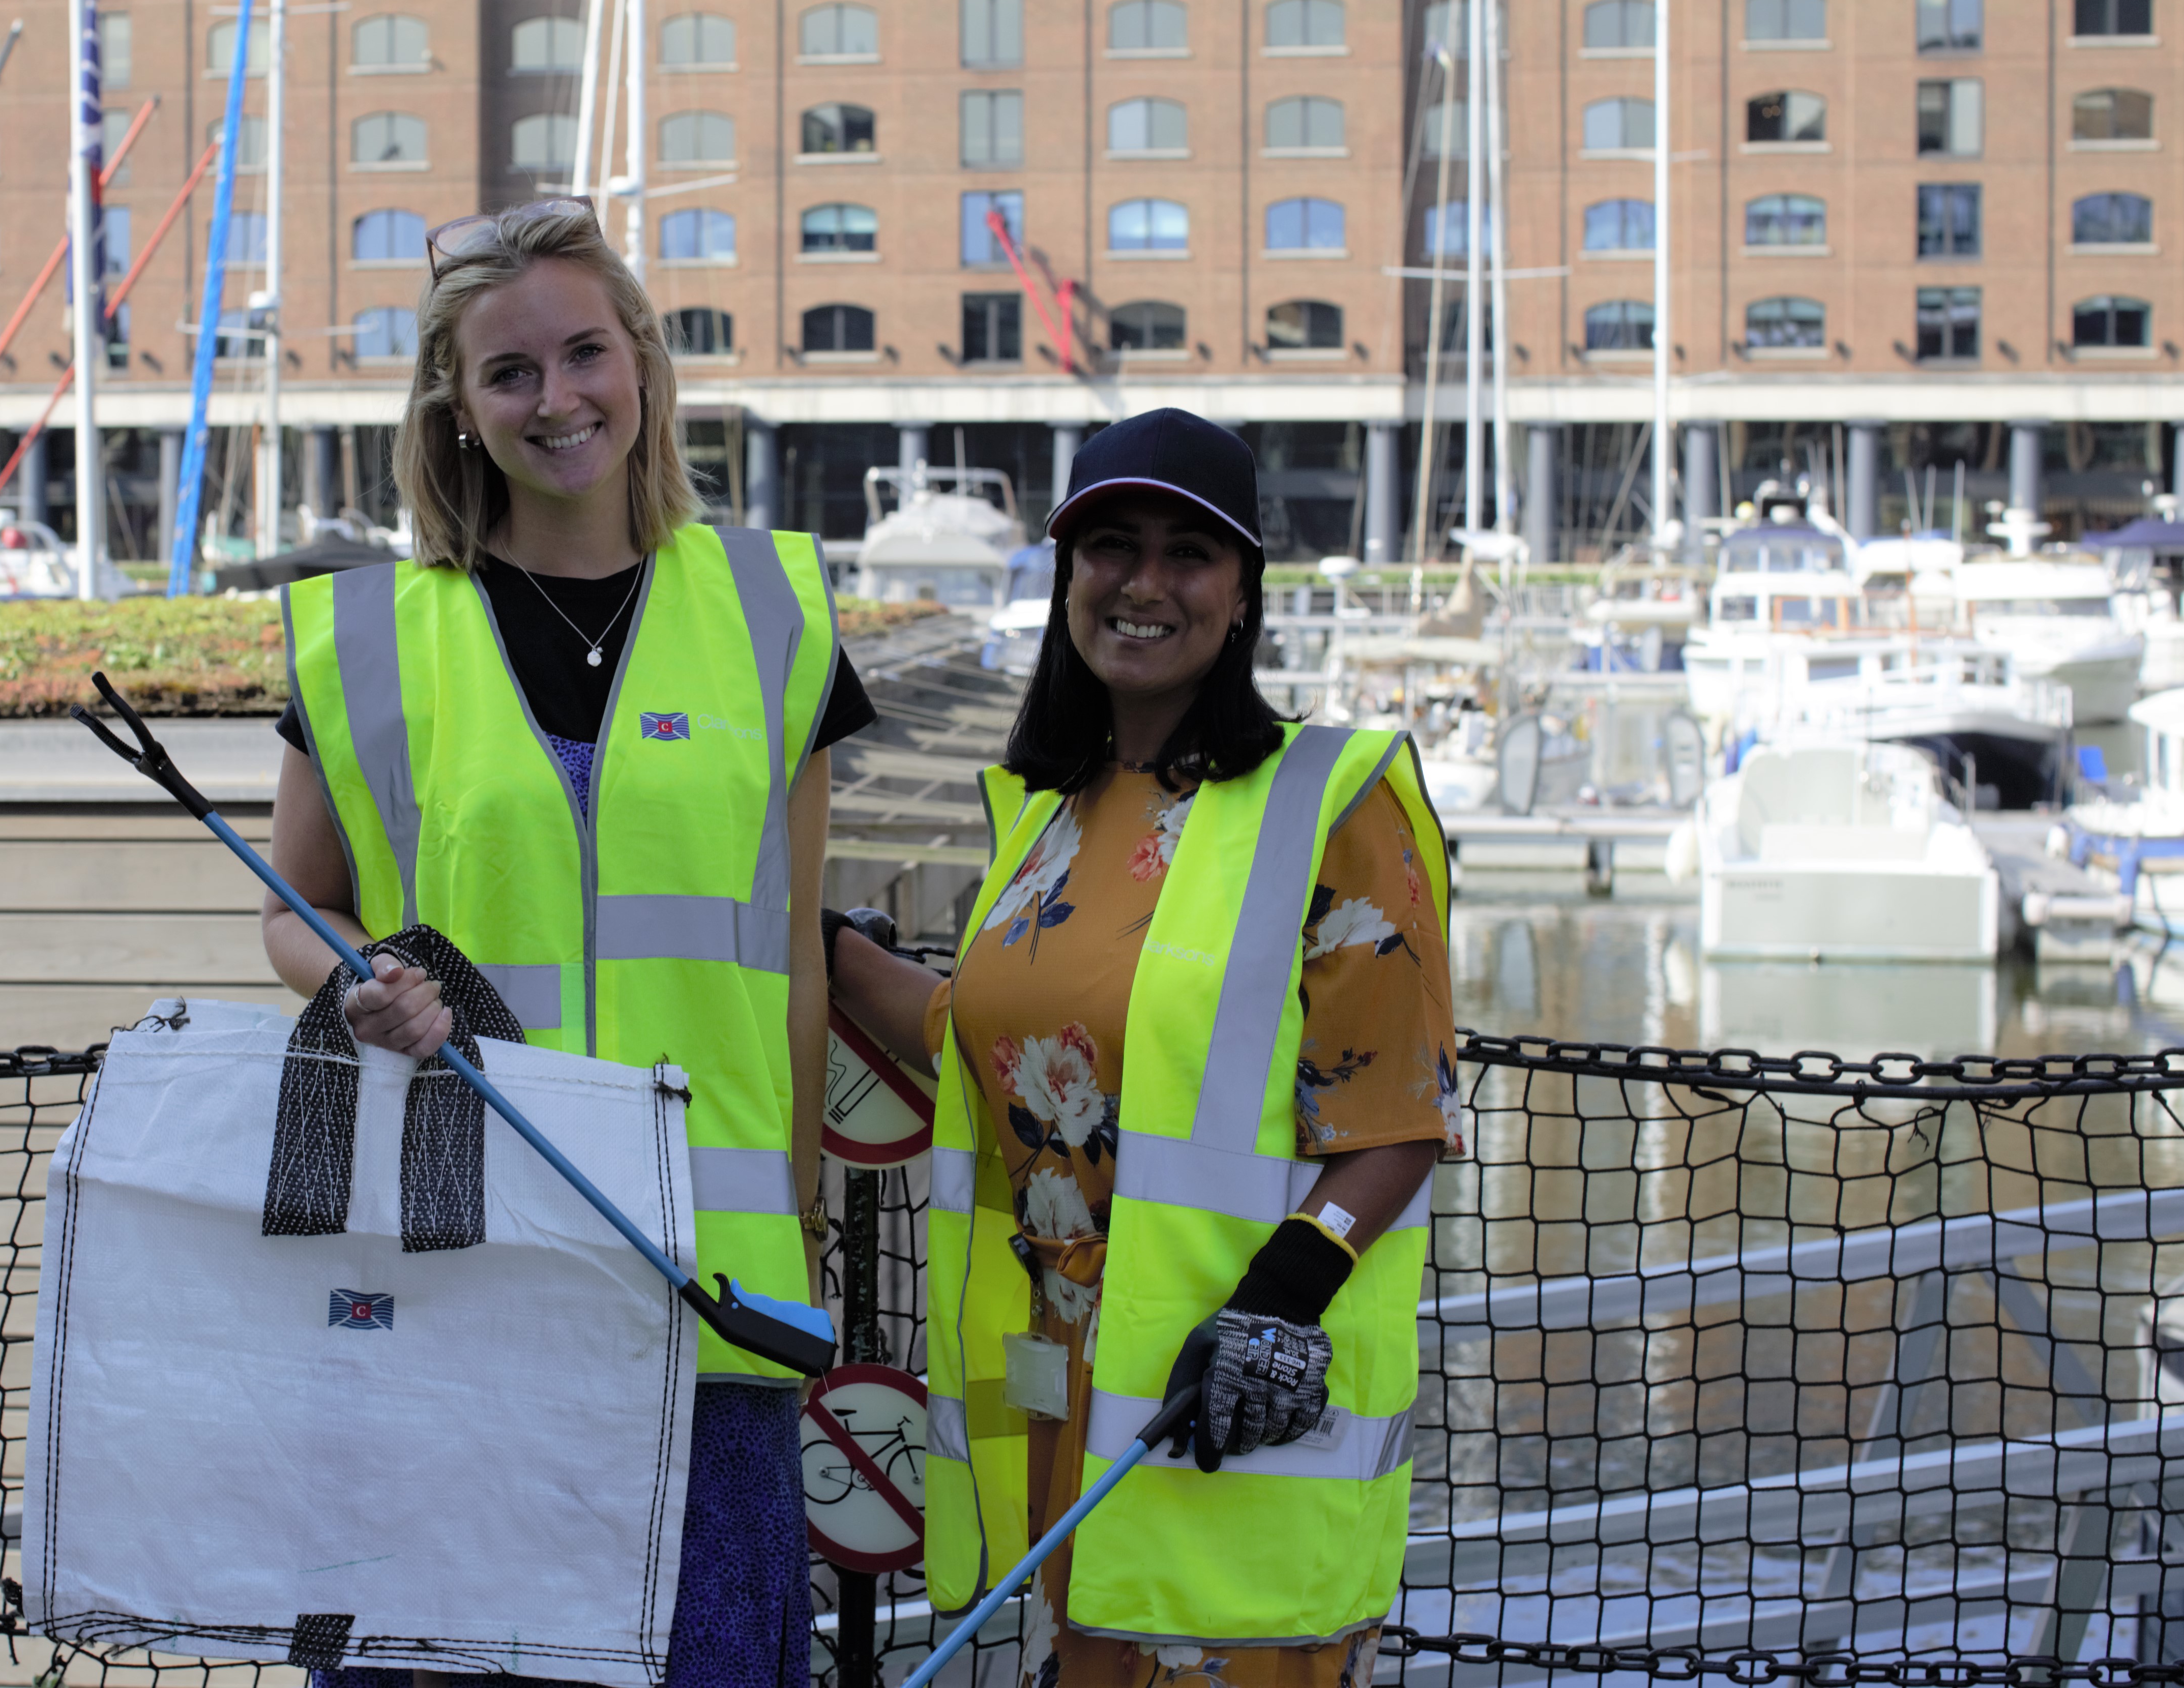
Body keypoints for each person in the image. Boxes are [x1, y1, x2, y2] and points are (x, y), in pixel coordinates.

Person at [264, 197, 875, 1688]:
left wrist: (800, 1216)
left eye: (585, 353)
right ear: (457, 406)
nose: (558, 399)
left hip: (706, 1282)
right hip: (455, 1262)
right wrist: (361, 982)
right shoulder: (366, 640)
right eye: (511, 372)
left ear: (642, 364)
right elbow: (294, 906)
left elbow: (798, 961)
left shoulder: (774, 615)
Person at [829, 409, 1461, 1688]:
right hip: (1060, 1388)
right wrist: (825, 946)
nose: (1145, 583)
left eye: (1190, 553)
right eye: (1112, 546)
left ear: (1244, 594)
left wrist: (1282, 1300)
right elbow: (989, 1046)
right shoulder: (1052, 813)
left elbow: (1401, 1116)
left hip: (1223, 1394)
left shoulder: (1332, 802)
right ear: (1069, 574)